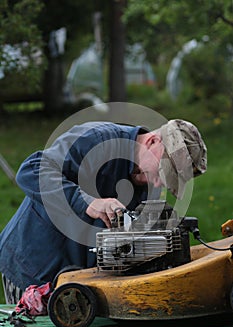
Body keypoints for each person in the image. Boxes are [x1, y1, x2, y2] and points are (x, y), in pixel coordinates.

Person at [0, 119, 207, 303]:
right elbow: (31, 170)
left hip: (78, 286)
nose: (157, 182)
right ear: (152, 141)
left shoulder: (147, 184)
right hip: (32, 268)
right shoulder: (97, 139)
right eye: (162, 172)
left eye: (166, 180)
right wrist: (87, 202)